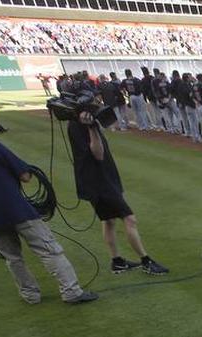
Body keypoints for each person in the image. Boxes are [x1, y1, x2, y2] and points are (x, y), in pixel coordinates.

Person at [0, 114, 97, 305]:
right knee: (48, 249)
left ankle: (30, 295)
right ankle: (71, 292)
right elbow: (25, 176)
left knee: (12, 257)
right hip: (15, 207)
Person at [67, 105, 168, 274]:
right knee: (129, 219)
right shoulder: (80, 125)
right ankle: (146, 261)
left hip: (96, 180)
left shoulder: (73, 123)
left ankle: (117, 261)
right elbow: (98, 154)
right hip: (100, 182)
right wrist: (92, 128)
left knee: (108, 220)